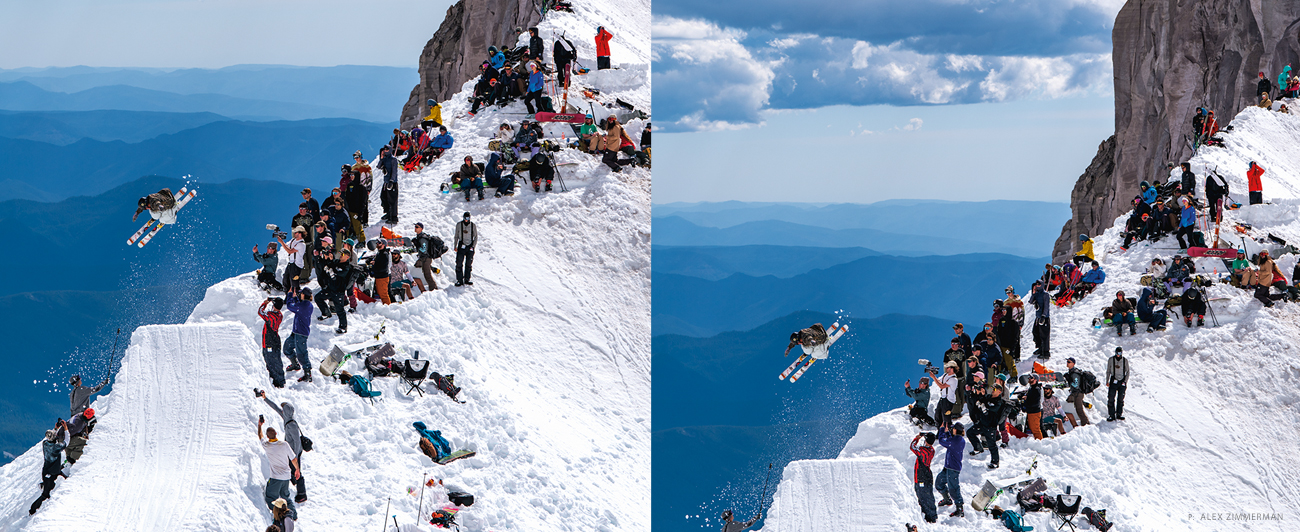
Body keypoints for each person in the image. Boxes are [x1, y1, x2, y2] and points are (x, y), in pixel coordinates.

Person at [259, 390, 307, 503]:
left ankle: (302, 494)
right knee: (291, 470)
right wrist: (265, 398)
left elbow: (297, 442)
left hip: (295, 451)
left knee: (297, 471)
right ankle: (292, 482)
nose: (281, 410)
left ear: (286, 412)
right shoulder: (286, 418)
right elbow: (275, 408)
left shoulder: (292, 425)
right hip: (290, 450)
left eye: (283, 409)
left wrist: (293, 456)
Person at [257, 416, 300, 522]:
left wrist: (259, 425)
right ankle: (293, 516)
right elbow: (294, 459)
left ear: (268, 437)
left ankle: (280, 515)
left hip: (275, 478)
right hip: (286, 477)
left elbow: (260, 436)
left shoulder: (267, 445)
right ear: (276, 433)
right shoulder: (284, 444)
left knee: (271, 498)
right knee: (286, 497)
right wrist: (297, 470)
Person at [28, 419, 70, 515]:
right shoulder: (56, 447)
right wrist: (66, 429)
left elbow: (51, 438)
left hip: (46, 471)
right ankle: (32, 510)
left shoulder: (45, 443)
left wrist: (55, 429)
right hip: (53, 472)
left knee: (50, 487)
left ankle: (45, 485)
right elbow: (67, 441)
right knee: (45, 494)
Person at [935, 423, 965, 517]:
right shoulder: (957, 439)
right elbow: (949, 440)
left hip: (953, 468)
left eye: (953, 429)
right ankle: (947, 499)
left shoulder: (956, 441)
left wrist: (941, 430)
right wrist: (947, 432)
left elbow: (942, 441)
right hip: (948, 467)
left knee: (954, 488)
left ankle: (959, 508)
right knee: (939, 483)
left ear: (955, 430)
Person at [283, 288, 314, 382]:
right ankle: (295, 364)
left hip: (301, 333)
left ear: (303, 295)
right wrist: (295, 297)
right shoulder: (306, 304)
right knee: (287, 348)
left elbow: (290, 306)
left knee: (301, 353)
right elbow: (297, 305)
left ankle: (307, 373)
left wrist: (289, 295)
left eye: (301, 294)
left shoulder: (304, 306)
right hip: (296, 332)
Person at [320, 249, 353, 334]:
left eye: (343, 254)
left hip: (338, 291)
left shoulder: (347, 267)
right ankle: (326, 313)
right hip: (330, 288)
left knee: (340, 310)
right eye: (340, 254)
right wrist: (328, 259)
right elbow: (327, 267)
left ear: (347, 257)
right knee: (318, 298)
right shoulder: (336, 262)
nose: (340, 255)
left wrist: (333, 272)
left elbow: (338, 275)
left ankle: (343, 327)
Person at [970, 384, 1004, 468]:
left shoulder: (999, 402)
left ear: (999, 392)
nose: (992, 391)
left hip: (990, 426)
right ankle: (978, 448)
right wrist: (980, 394)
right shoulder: (988, 397)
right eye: (992, 389)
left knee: (991, 445)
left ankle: (995, 462)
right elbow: (979, 402)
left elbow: (991, 409)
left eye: (995, 389)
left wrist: (984, 407)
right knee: (970, 432)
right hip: (982, 423)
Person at [909, 432, 939, 523]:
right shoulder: (931, 450)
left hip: (920, 477)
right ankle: (932, 515)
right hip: (927, 476)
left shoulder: (922, 450)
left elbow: (912, 447)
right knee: (929, 496)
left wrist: (917, 438)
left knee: (922, 496)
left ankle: (928, 516)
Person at [259, 297, 287, 387]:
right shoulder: (280, 315)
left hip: (268, 341)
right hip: (275, 341)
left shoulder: (270, 315)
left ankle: (276, 381)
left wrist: (265, 303)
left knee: (269, 361)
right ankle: (281, 379)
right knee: (277, 361)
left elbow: (260, 312)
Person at [411, 223, 442, 292]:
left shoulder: (422, 238)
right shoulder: (419, 237)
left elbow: (424, 250)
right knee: (417, 265)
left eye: (417, 227)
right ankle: (433, 269)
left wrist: (417, 245)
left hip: (426, 258)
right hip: (422, 258)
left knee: (427, 275)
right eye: (415, 226)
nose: (415, 228)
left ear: (421, 229)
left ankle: (434, 289)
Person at [277, 226, 308, 292]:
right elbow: (287, 246)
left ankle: (297, 296)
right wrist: (282, 240)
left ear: (300, 233)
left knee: (294, 284)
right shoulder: (293, 240)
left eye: (296, 232)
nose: (294, 233)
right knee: (286, 281)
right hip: (291, 263)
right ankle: (288, 296)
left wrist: (281, 242)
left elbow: (290, 251)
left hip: (297, 265)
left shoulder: (302, 244)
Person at [1063, 358, 1091, 427]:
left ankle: (1085, 424)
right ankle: (1084, 404)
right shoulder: (1071, 372)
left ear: (1073, 364)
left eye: (1069, 362)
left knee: (1079, 410)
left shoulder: (1074, 373)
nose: (1067, 363)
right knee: (1069, 400)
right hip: (1075, 393)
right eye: (1067, 361)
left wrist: (1069, 380)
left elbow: (1076, 385)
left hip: (1078, 393)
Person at [454, 212, 478, 287]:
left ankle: (467, 279)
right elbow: (456, 236)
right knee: (459, 263)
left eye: (467, 218)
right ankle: (459, 280)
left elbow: (476, 237)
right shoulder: (459, 225)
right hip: (461, 245)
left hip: (470, 246)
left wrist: (473, 246)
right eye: (465, 218)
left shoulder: (473, 225)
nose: (466, 220)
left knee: (468, 264)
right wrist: (455, 246)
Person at [1106, 347, 1129, 422]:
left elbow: (1128, 372)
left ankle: (1119, 414)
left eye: (1120, 353)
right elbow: (1108, 371)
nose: (1118, 355)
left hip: (1122, 381)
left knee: (1120, 399)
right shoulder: (1111, 360)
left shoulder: (1125, 360)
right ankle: (1111, 415)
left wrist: (1125, 381)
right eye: (1117, 353)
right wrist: (1107, 381)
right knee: (1111, 398)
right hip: (1113, 380)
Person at [378, 146, 400, 223]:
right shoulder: (384, 159)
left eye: (387, 149)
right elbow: (378, 166)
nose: (385, 150)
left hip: (392, 182)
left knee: (392, 200)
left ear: (390, 150)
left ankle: (393, 217)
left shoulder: (393, 159)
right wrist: (381, 158)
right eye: (384, 149)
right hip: (386, 182)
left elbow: (394, 171)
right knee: (383, 197)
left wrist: (391, 181)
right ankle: (388, 213)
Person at [1029, 281, 1051, 358]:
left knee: (1044, 335)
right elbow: (1031, 302)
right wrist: (1033, 293)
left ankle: (1045, 352)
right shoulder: (1037, 294)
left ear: (1042, 285)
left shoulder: (1045, 294)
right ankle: (1040, 348)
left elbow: (1046, 306)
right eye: (1036, 284)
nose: (1037, 286)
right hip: (1038, 317)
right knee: (1035, 332)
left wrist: (1043, 316)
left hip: (1044, 318)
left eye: (1039, 284)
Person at [934, 361, 959, 427]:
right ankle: (940, 431)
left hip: (949, 400)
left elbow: (942, 386)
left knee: (946, 419)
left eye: (948, 367)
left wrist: (933, 377)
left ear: (952, 368)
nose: (946, 369)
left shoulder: (954, 379)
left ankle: (949, 431)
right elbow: (939, 381)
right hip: (943, 398)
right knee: (938, 416)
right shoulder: (945, 375)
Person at [1022, 374, 1044, 440]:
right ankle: (1037, 441)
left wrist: (1027, 403)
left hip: (1034, 412)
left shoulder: (1036, 389)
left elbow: (1035, 402)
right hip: (1031, 411)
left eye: (1031, 377)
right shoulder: (1031, 388)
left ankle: (1040, 442)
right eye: (1029, 377)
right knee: (1032, 428)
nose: (1029, 378)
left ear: (1035, 380)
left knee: (1036, 430)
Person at [371, 239, 392, 304]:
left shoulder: (384, 254)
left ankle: (388, 307)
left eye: (379, 242)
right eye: (377, 242)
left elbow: (384, 267)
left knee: (384, 295)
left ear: (383, 245)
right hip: (379, 276)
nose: (377, 243)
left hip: (382, 277)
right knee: (381, 293)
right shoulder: (379, 253)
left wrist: (375, 268)